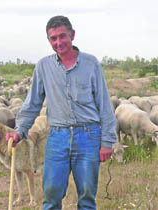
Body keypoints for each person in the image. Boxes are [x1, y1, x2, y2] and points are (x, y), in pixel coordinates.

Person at [6, 15, 118, 210]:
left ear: (72, 35)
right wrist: (19, 130)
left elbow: (104, 104)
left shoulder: (91, 64)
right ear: (49, 40)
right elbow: (32, 102)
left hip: (88, 135)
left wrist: (107, 141)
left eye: (62, 36)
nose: (58, 42)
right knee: (51, 194)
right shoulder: (43, 66)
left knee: (87, 196)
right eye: (53, 39)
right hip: (58, 135)